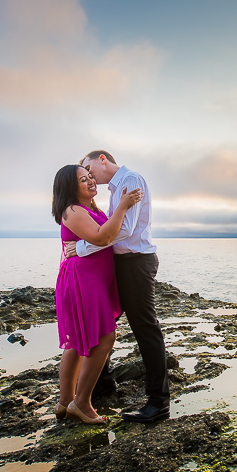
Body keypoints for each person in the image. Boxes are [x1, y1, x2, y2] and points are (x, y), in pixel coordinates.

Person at [64, 150, 169, 423]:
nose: (90, 177)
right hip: (121, 264)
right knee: (102, 325)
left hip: (136, 263)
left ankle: (159, 402)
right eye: (83, 175)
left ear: (102, 159)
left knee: (146, 328)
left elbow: (124, 230)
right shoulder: (113, 191)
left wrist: (82, 248)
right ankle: (101, 386)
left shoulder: (130, 180)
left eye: (89, 169)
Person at [52, 164, 142, 424]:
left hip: (91, 278)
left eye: (90, 176)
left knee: (77, 341)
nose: (91, 181)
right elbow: (103, 237)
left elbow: (106, 237)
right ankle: (81, 404)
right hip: (83, 279)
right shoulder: (72, 210)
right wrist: (123, 206)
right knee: (104, 337)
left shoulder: (91, 208)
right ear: (70, 187)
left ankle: (64, 402)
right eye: (83, 179)